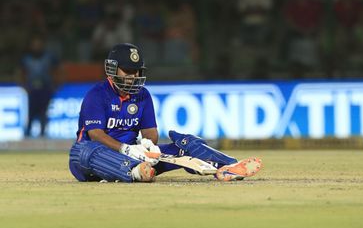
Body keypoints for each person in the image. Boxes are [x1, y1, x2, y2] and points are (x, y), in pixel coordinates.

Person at [69, 43, 262, 183]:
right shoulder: (96, 94)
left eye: (136, 71)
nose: (133, 76)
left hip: (136, 156)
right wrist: (124, 149)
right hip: (91, 161)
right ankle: (134, 172)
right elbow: (95, 134)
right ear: (112, 70)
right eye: (127, 70)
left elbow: (150, 131)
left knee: (186, 143)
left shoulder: (142, 95)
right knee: (84, 150)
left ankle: (227, 167)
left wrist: (148, 145)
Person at [21, 34, 60, 137]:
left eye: (38, 44)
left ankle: (43, 135)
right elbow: (20, 72)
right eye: (34, 45)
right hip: (32, 89)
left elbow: (59, 70)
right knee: (31, 113)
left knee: (44, 113)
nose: (36, 47)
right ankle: (27, 135)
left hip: (45, 88)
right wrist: (23, 85)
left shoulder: (49, 57)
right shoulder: (26, 58)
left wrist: (57, 84)